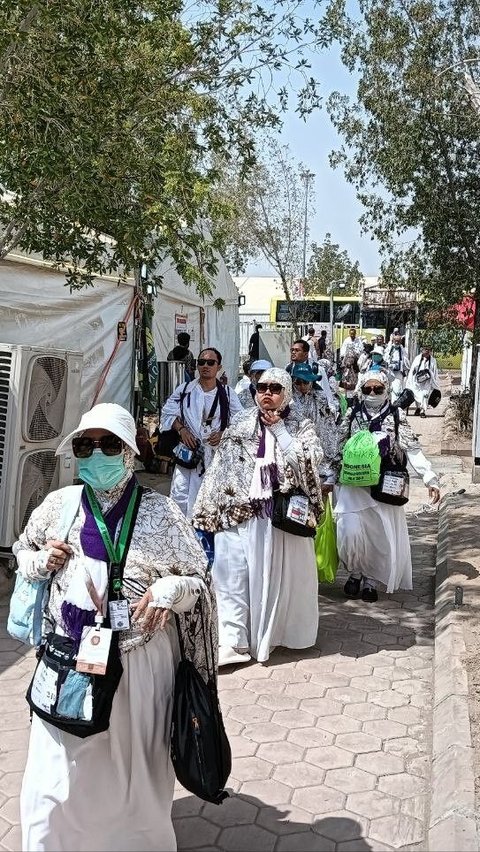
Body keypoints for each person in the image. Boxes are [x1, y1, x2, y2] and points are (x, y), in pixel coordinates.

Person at [15, 403, 215, 852]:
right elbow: (21, 552)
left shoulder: (162, 514)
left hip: (140, 665)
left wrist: (169, 589)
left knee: (134, 771)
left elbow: (199, 584)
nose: (96, 454)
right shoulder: (59, 505)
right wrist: (40, 561)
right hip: (71, 659)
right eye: (86, 445)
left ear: (129, 451)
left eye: (109, 444)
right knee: (56, 773)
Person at [193, 368, 324, 666]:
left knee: (273, 579)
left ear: (286, 392)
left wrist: (279, 430)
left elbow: (308, 462)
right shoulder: (240, 422)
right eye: (262, 386)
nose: (267, 393)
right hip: (236, 509)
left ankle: (275, 635)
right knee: (230, 574)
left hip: (277, 517)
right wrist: (210, 506)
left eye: (275, 388)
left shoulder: (301, 425)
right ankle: (234, 640)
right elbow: (222, 465)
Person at [334, 369, 440, 603]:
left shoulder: (396, 414)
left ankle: (370, 580)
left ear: (386, 390)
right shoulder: (352, 413)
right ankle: (354, 572)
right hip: (353, 486)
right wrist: (327, 477)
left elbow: (411, 447)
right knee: (348, 533)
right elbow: (337, 445)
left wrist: (429, 477)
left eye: (378, 389)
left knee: (378, 536)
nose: (372, 393)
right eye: (367, 389)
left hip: (383, 486)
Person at [160, 347, 243, 518]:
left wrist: (223, 434)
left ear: (218, 367)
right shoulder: (185, 390)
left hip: (214, 456)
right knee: (180, 496)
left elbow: (242, 421)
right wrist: (181, 430)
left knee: (211, 498)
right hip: (187, 454)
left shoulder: (227, 394)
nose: (205, 366)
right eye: (201, 362)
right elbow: (167, 412)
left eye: (210, 362)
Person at [291, 362, 340, 489]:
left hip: (318, 452)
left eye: (305, 382)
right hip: (295, 452)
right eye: (298, 382)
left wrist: (330, 460)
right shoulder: (288, 401)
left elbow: (328, 430)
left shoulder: (320, 399)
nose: (302, 386)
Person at [406, 346, 440, 417]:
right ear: (422, 350)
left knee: (425, 394)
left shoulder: (433, 360)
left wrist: (433, 379)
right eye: (425, 349)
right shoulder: (417, 359)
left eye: (429, 350)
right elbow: (413, 369)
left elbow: (435, 371)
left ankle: (423, 410)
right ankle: (418, 407)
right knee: (417, 394)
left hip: (427, 381)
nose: (427, 351)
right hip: (417, 381)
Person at [384, 331, 410, 403]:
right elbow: (385, 359)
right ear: (393, 341)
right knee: (388, 389)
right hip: (389, 372)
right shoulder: (389, 349)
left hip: (398, 373)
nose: (396, 342)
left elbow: (406, 361)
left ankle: (395, 404)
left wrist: (402, 364)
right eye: (395, 341)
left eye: (398, 341)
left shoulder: (402, 350)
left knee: (397, 389)